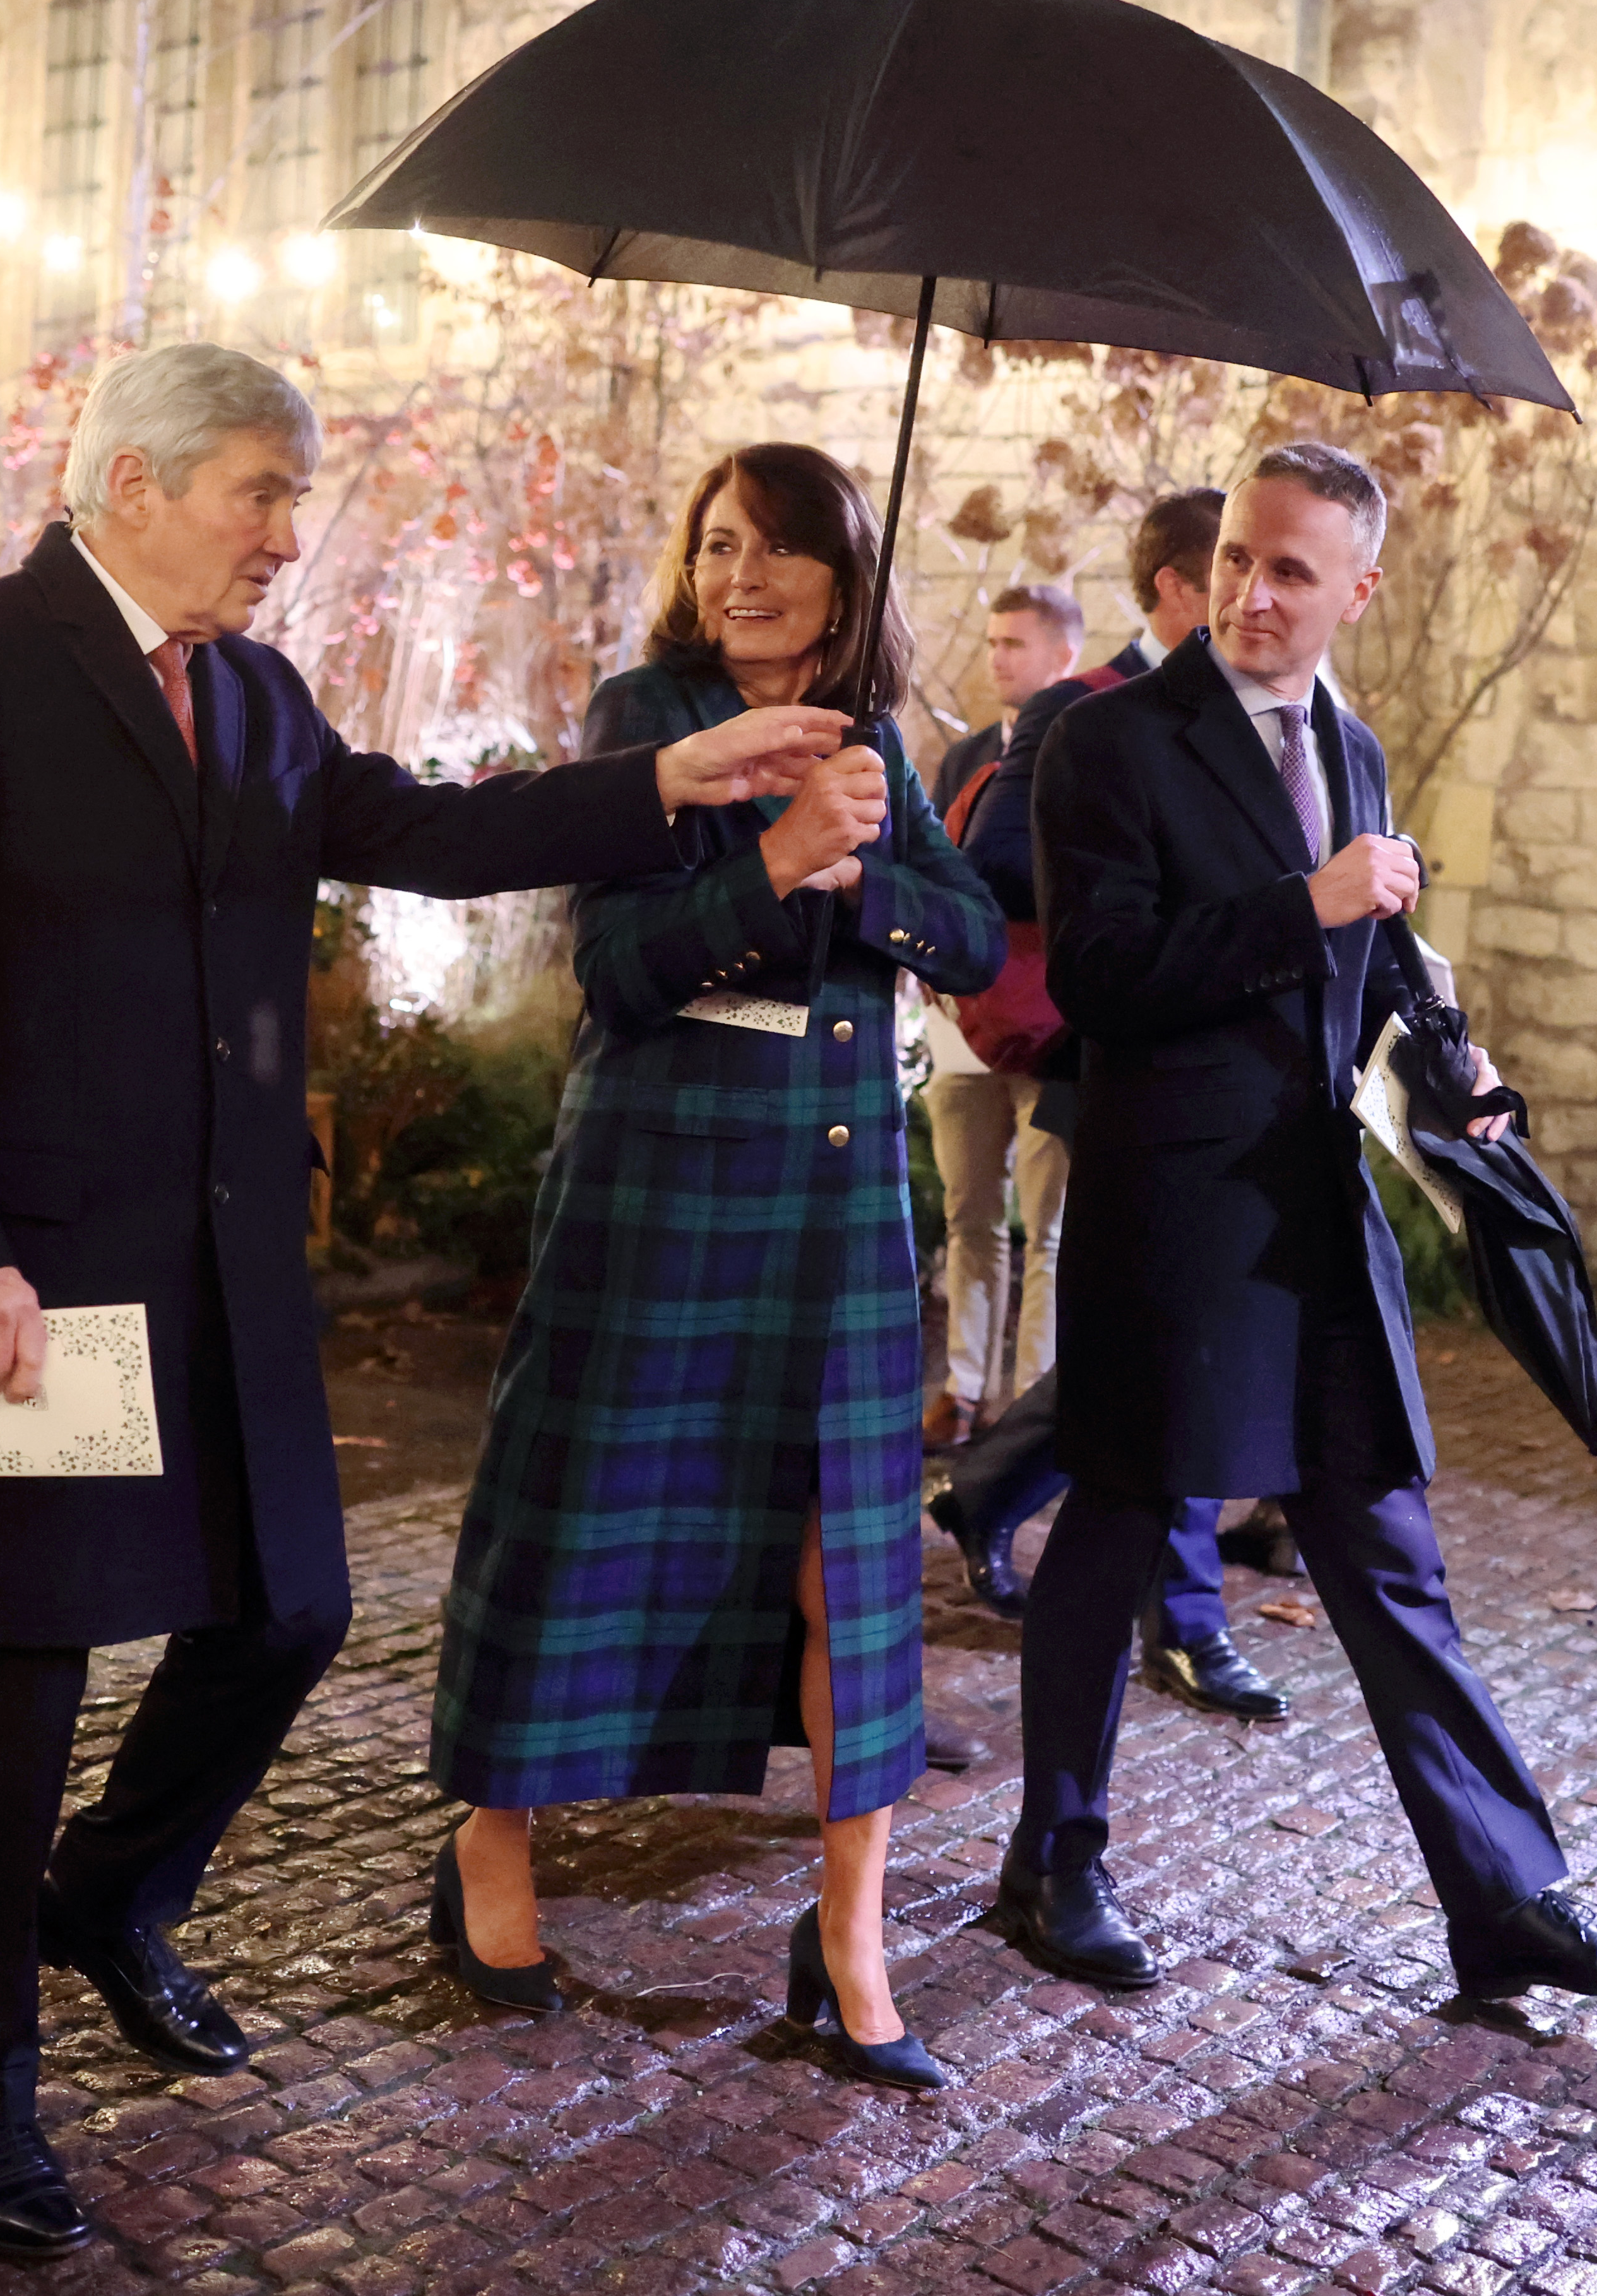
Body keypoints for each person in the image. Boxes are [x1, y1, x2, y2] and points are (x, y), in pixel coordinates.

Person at [0, 345, 850, 2259]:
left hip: (216, 1258)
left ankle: (109, 1893)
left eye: (293, 494)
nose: (291, 531)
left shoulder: (258, 696)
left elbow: (422, 829)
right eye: (262, 490)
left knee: (288, 1606)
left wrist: (664, 774)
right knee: (20, 1664)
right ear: (130, 480)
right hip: (30, 1266)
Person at [995, 441, 1597, 2010]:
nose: (1251, 590)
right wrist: (1304, 905)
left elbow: (1364, 964)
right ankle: (1056, 1861)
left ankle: (1506, 1897)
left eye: (1291, 569)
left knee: (1387, 1546)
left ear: (1355, 590)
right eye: (1239, 556)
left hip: (1317, 1215)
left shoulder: (1355, 749)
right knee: (1114, 1530)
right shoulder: (1109, 745)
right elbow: (1100, 981)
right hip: (1165, 1211)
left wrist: (1456, 1057)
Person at [430, 442, 1004, 2095]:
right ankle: (488, 1850)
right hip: (658, 1183)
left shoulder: (880, 741)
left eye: (774, 550)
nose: (738, 575)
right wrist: (763, 868)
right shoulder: (647, 717)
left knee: (855, 1569)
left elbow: (970, 938)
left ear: (844, 575)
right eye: (715, 544)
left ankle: (849, 1938)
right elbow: (612, 972)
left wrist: (866, 863)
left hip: (835, 1205)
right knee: (581, 1522)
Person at [928, 495, 1291, 1723]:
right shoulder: (1075, 710)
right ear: (1180, 588)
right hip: (1118, 1064)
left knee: (1148, 1351)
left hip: (1243, 1090)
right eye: (1234, 569)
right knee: (1169, 1353)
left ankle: (988, 1486)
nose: (1254, 600)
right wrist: (1157, 860)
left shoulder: (1284, 722)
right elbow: (996, 865)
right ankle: (1181, 1614)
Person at [918, 584, 1079, 1450]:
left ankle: (1031, 1408)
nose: (995, 658)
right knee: (966, 1212)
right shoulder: (968, 755)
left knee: (1047, 1225)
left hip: (1052, 1024)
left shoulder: (1087, 747)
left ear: (1062, 658)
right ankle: (964, 1388)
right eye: (989, 642)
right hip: (961, 1017)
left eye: (1014, 643)